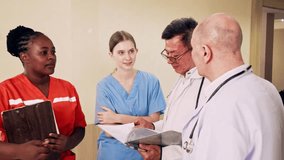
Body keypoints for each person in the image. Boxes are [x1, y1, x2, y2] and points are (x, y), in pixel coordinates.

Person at [182, 13, 284, 160]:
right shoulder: (268, 88)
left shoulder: (223, 106)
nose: (192, 56)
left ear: (205, 52)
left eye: (193, 49)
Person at [0, 26, 87, 160]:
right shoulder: (5, 91)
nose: (51, 57)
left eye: (53, 52)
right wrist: (18, 151)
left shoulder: (68, 88)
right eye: (44, 53)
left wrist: (68, 143)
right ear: (25, 57)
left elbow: (80, 128)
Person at [136, 18, 209, 160]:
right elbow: (174, 125)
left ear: (194, 49)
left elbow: (201, 141)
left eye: (175, 56)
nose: (169, 61)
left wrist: (163, 155)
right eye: (167, 54)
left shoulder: (207, 85)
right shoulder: (181, 79)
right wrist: (152, 126)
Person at [95, 30, 166, 160]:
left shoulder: (151, 81)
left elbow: (154, 122)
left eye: (131, 51)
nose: (128, 57)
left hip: (144, 152)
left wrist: (118, 118)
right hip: (113, 153)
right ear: (111, 54)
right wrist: (143, 121)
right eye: (121, 52)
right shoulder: (104, 86)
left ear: (136, 51)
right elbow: (109, 132)